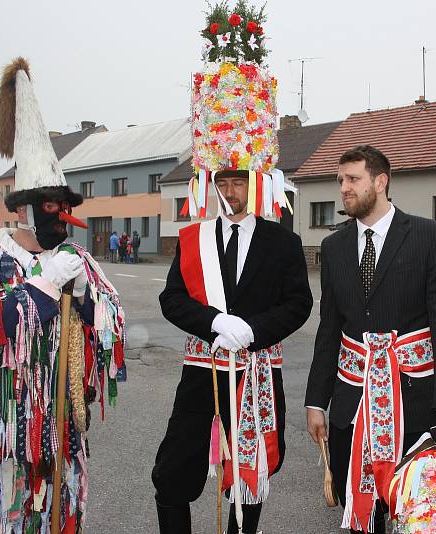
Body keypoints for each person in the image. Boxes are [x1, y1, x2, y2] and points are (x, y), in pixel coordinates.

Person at [0, 57, 126, 532]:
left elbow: (112, 333)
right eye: (51, 207)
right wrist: (42, 288)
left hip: (57, 428)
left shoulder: (76, 259)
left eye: (65, 209)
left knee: (53, 514)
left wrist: (85, 298)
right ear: (27, 207)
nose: (60, 219)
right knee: (0, 514)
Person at [152, 6, 311, 533]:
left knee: (249, 480)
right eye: (221, 181)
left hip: (258, 373)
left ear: (256, 179)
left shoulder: (282, 241)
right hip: (202, 369)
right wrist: (213, 323)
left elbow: (299, 303)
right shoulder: (193, 238)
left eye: (238, 180)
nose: (229, 190)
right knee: (171, 476)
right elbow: (171, 300)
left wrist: (255, 330)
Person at [304, 145, 436, 533]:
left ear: (380, 181)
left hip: (414, 404)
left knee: (416, 513)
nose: (344, 188)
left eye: (353, 179)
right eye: (340, 180)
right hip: (351, 405)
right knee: (362, 513)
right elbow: (329, 329)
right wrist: (315, 401)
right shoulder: (333, 246)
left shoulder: (430, 236)